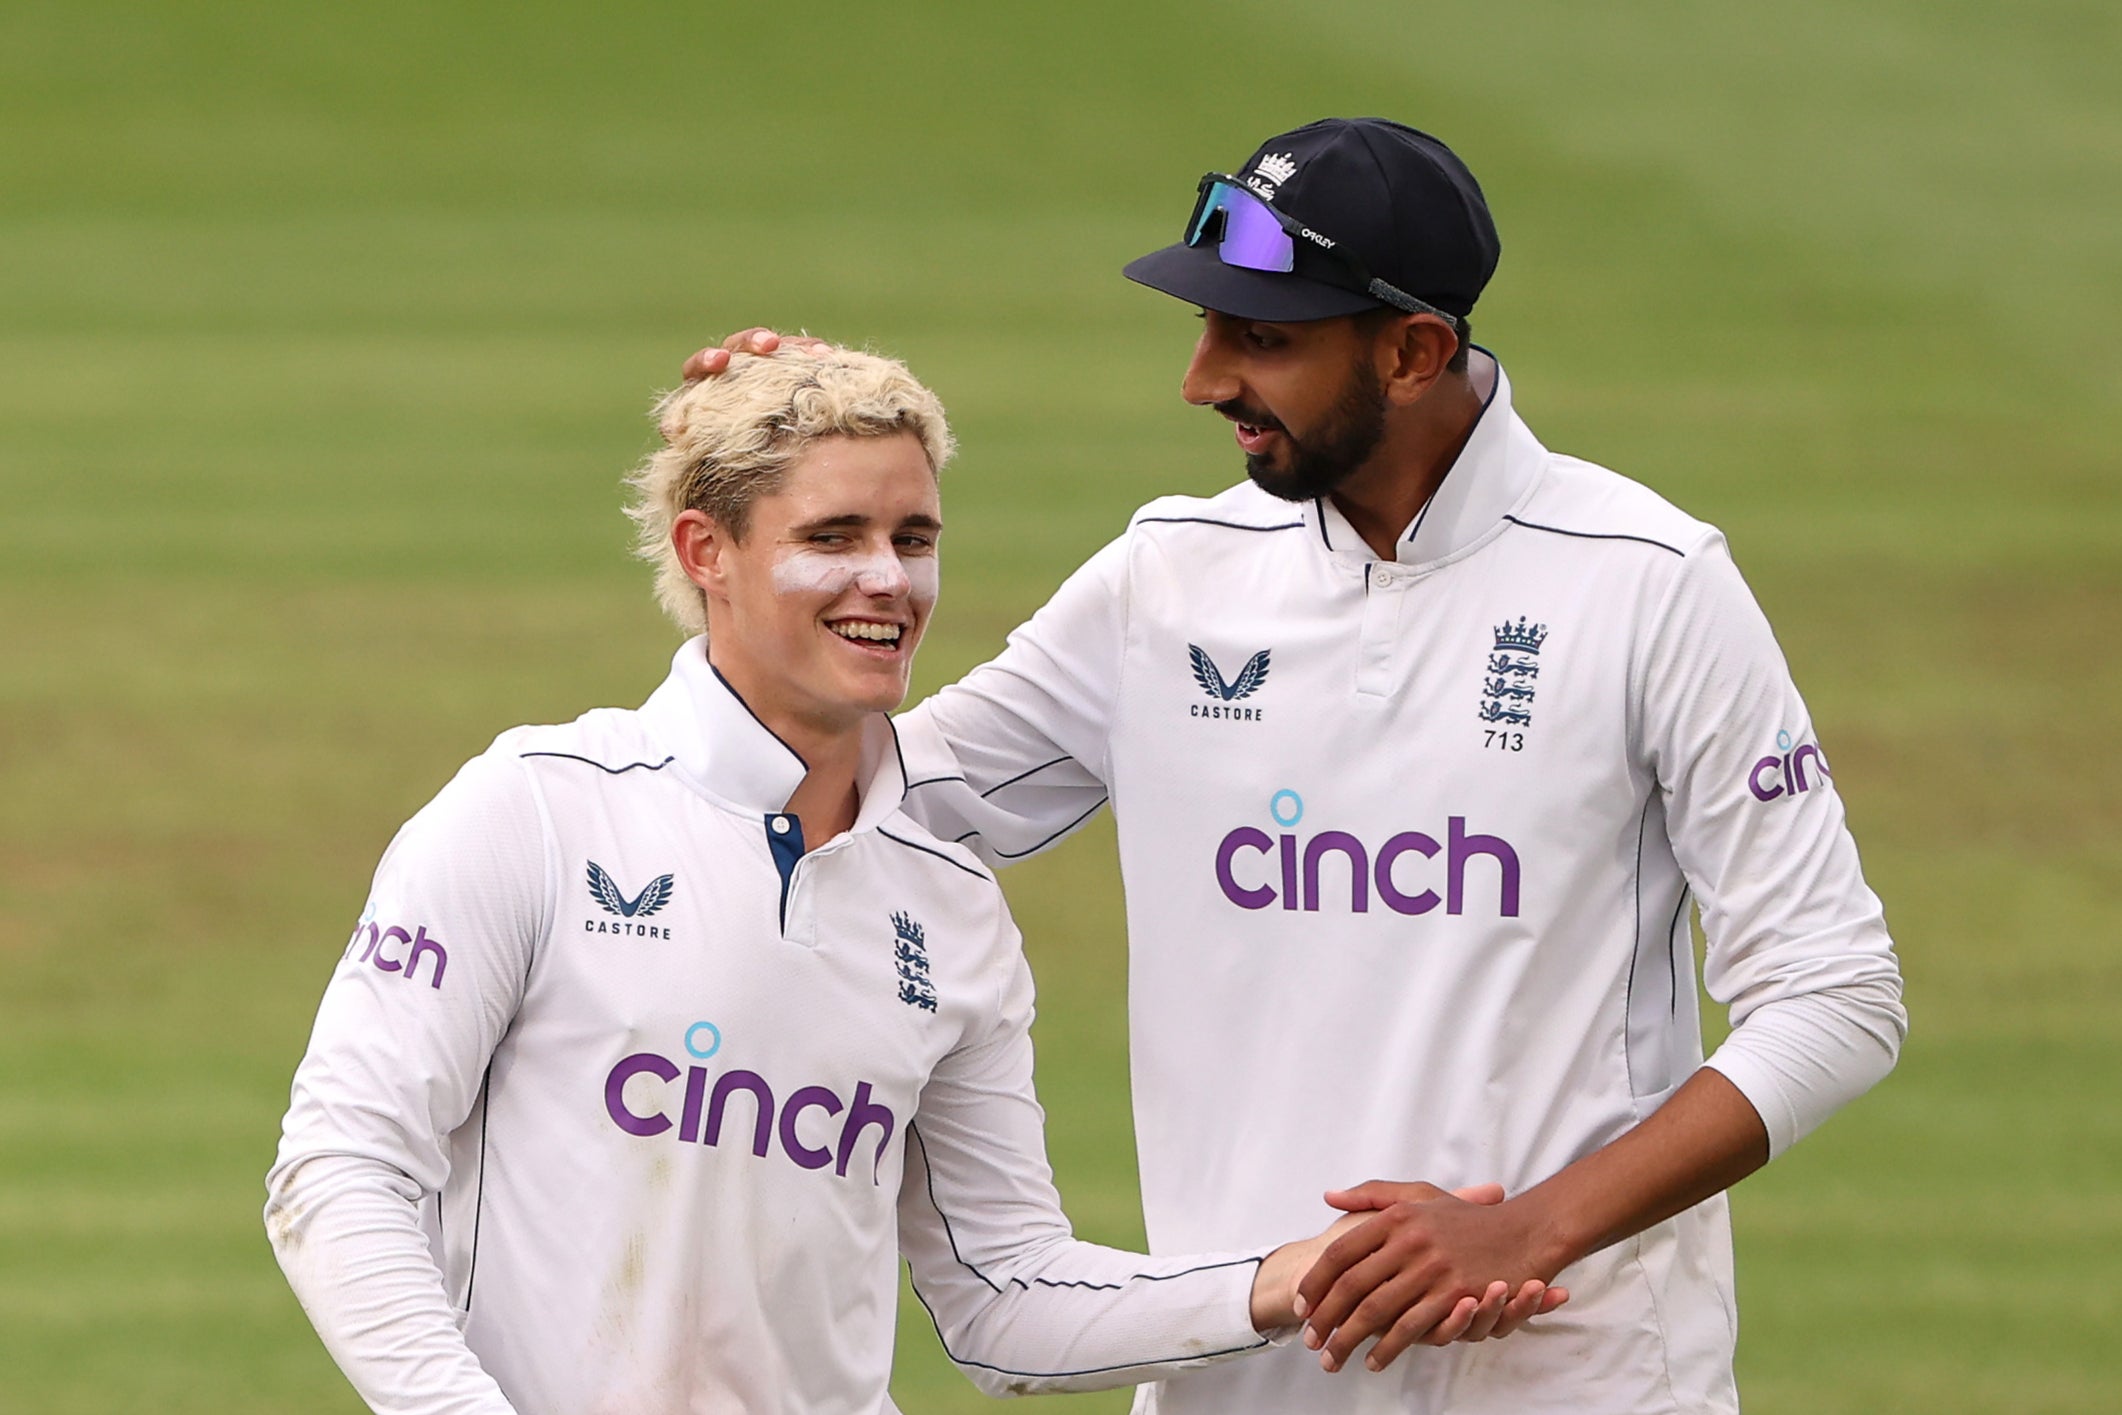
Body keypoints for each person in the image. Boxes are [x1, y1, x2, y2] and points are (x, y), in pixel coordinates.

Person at [686, 117, 1906, 1414]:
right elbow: (828, 807)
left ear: (1412, 349)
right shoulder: (1167, 578)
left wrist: (1527, 1225)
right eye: (1207, 328)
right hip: (1239, 1382)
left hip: (1575, 1382)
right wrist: (776, 491)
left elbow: (1834, 996)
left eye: (1261, 339)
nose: (1202, 378)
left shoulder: (1648, 586)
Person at [264, 345, 1484, 1415]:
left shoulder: (946, 907)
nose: (888, 582)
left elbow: (1004, 1293)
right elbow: (341, 1167)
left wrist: (1288, 1277)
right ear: (708, 551)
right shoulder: (534, 807)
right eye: (830, 538)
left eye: (913, 538)